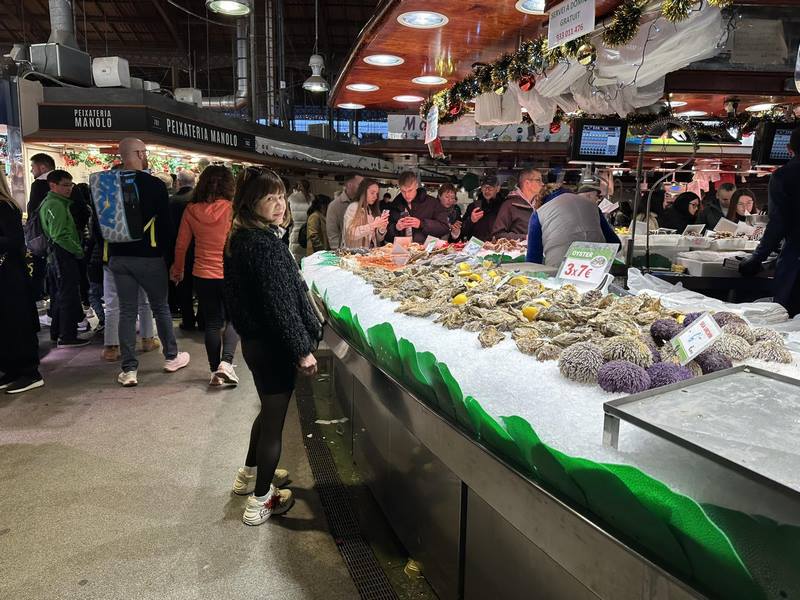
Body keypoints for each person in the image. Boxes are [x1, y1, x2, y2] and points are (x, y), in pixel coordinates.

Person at [224, 166, 323, 526]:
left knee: (268, 411)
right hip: (274, 347)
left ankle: (248, 475)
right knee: (274, 423)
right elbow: (281, 307)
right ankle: (261, 499)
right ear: (251, 203)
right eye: (270, 198)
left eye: (281, 196)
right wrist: (302, 351)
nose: (280, 205)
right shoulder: (264, 245)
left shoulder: (240, 236)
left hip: (255, 344)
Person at [109, 138, 189, 387]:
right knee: (160, 307)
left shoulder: (107, 183)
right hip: (149, 256)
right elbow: (165, 226)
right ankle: (171, 357)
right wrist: (169, 258)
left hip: (118, 256)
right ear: (140, 153)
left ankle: (129, 370)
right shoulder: (154, 185)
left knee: (127, 310)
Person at [171, 166, 240, 387]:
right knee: (234, 319)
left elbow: (181, 245)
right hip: (229, 272)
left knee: (212, 323)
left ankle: (214, 372)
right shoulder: (233, 209)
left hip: (202, 274)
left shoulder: (191, 210)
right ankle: (226, 363)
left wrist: (177, 270)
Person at [87, 187, 157, 362]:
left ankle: (111, 347)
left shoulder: (103, 207)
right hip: (140, 258)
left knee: (112, 304)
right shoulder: (141, 204)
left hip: (112, 258)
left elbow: (96, 235)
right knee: (144, 300)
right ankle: (147, 339)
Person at [740, 127, 800, 316]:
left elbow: (778, 224)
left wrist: (756, 259)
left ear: (789, 149)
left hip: (796, 262)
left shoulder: (784, 176)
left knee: (789, 321)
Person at [0, 169, 43, 394]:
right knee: (6, 325)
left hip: (10, 275)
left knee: (16, 322)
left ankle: (29, 372)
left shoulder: (5, 206)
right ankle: (12, 370)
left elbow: (15, 240)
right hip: (6, 274)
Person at [39, 170, 89, 348]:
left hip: (56, 256)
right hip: (63, 255)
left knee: (59, 295)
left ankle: (57, 332)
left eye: (71, 185)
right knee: (68, 295)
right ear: (53, 185)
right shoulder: (56, 205)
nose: (69, 189)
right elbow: (59, 235)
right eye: (65, 185)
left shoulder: (53, 202)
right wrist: (78, 251)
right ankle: (67, 336)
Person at [526, 184, 621, 267]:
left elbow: (532, 262)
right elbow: (616, 244)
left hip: (558, 270)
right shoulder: (593, 206)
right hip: (597, 267)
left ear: (541, 202)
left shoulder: (538, 214)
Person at [169, 170, 200, 331]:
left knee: (183, 286)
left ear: (178, 182)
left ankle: (188, 320)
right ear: (194, 182)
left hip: (179, 248)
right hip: (199, 248)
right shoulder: (200, 200)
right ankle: (202, 319)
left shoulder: (172, 201)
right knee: (201, 287)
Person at [387, 171, 449, 243]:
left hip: (426, 248)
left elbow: (444, 228)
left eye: (410, 190)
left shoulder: (432, 203)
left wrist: (421, 224)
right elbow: (386, 235)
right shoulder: (395, 204)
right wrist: (396, 228)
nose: (407, 195)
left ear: (416, 186)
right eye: (403, 191)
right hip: (401, 248)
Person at [28, 153, 56, 303]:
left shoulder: (38, 185)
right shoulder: (64, 182)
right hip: (60, 235)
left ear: (43, 167)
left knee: (39, 268)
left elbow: (33, 211)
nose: (31, 170)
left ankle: (39, 298)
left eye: (33, 167)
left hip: (42, 235)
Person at [492, 168, 544, 241]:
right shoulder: (509, 205)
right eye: (538, 180)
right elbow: (498, 235)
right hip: (519, 248)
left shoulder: (540, 205)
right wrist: (526, 237)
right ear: (527, 183)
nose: (542, 184)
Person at [343, 178, 388, 248]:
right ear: (363, 192)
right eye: (372, 193)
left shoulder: (370, 209)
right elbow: (351, 233)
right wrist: (373, 225)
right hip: (355, 252)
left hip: (370, 252)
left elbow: (378, 239)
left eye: (376, 193)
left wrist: (382, 228)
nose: (375, 197)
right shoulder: (354, 207)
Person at [462, 174, 507, 242]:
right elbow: (462, 231)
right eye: (484, 187)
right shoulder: (473, 206)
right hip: (476, 246)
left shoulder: (504, 206)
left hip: (497, 245)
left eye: (490, 188)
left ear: (498, 189)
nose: (487, 191)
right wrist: (471, 221)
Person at [325, 173, 363, 250]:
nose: (363, 188)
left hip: (363, 250)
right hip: (344, 251)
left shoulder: (362, 203)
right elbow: (332, 233)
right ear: (350, 185)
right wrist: (337, 251)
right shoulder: (335, 205)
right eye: (360, 184)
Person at [288, 180, 313, 261]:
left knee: (295, 259)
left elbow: (288, 218)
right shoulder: (312, 198)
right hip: (308, 234)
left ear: (297, 186)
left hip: (295, 233)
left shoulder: (291, 197)